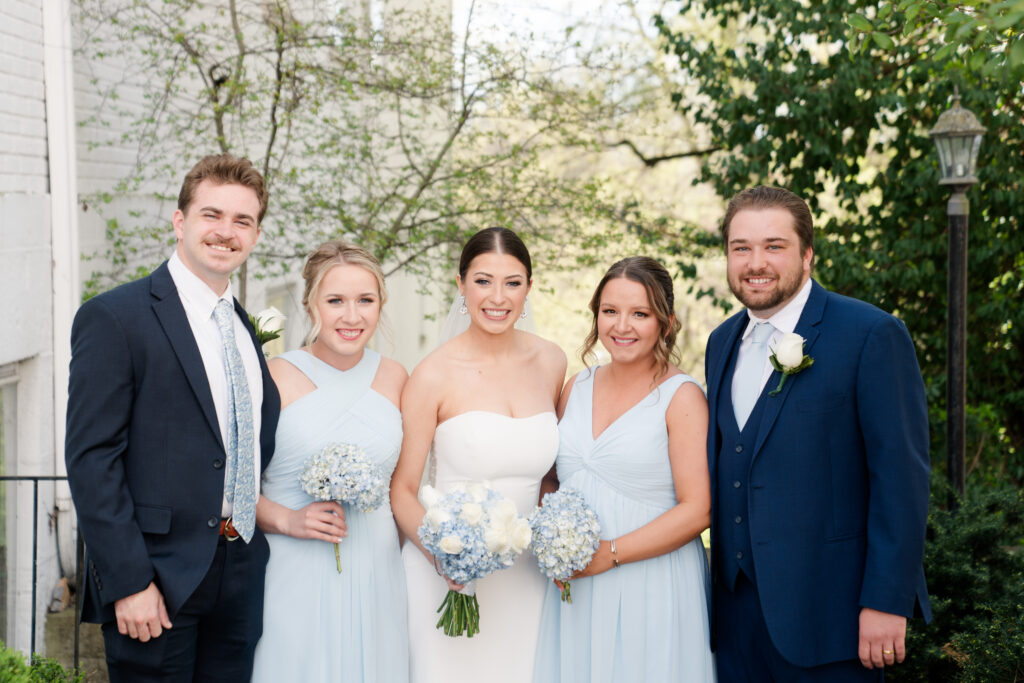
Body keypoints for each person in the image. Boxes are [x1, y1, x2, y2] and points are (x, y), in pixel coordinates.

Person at [65, 154, 281, 682]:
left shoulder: (243, 328)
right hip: (156, 580)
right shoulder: (116, 317)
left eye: (243, 221)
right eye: (212, 215)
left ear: (254, 235)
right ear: (180, 221)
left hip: (240, 571)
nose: (226, 232)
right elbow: (93, 461)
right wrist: (129, 581)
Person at [705, 186, 931, 682]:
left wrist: (886, 602)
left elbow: (901, 480)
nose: (755, 262)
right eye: (740, 247)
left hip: (834, 619)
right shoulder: (721, 343)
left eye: (774, 246)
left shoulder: (870, 334)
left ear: (808, 254)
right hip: (735, 619)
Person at [391, 227, 566, 683]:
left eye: (513, 282)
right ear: (461, 284)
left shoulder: (552, 362)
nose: (498, 297)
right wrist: (443, 557)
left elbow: (551, 478)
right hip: (449, 576)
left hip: (528, 578)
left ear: (529, 287)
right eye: (483, 280)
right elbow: (404, 489)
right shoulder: (431, 375)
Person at [533, 256, 716, 682]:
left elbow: (699, 509)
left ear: (666, 323)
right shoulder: (575, 387)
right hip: (575, 578)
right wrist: (555, 537)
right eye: (610, 311)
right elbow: (553, 479)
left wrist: (610, 555)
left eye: (640, 313)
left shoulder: (682, 397)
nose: (622, 326)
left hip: (650, 579)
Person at [251, 240, 409, 682]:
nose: (352, 316)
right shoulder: (274, 376)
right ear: (310, 304)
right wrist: (288, 520)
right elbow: (231, 485)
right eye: (335, 300)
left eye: (365, 300)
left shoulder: (397, 378)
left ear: (381, 304)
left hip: (378, 571)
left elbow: (407, 486)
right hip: (293, 568)